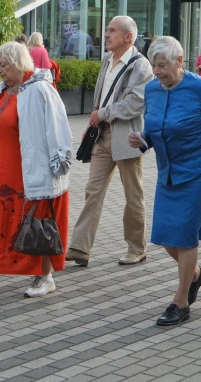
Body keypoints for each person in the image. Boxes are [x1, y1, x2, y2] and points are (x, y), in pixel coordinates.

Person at [129, 36, 201, 326]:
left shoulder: (200, 89)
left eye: (162, 65)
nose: (157, 71)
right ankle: (195, 275)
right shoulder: (152, 89)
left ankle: (181, 301)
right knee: (164, 236)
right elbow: (155, 128)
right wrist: (143, 141)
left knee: (185, 236)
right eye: (154, 65)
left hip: (200, 172)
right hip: (169, 172)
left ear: (180, 61)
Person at [0, 42, 72, 298]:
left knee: (36, 226)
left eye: (3, 65)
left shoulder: (41, 89)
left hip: (32, 174)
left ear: (19, 65)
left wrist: (60, 163)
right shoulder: (3, 89)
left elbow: (58, 127)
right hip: (4, 174)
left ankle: (44, 277)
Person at [66, 16, 153, 267]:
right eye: (106, 30)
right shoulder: (107, 60)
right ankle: (80, 247)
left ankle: (137, 248)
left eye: (112, 30)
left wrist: (101, 114)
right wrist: (92, 124)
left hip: (127, 138)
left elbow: (135, 104)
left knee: (133, 196)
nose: (106, 34)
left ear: (128, 37)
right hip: (101, 136)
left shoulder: (141, 66)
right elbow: (100, 99)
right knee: (92, 191)